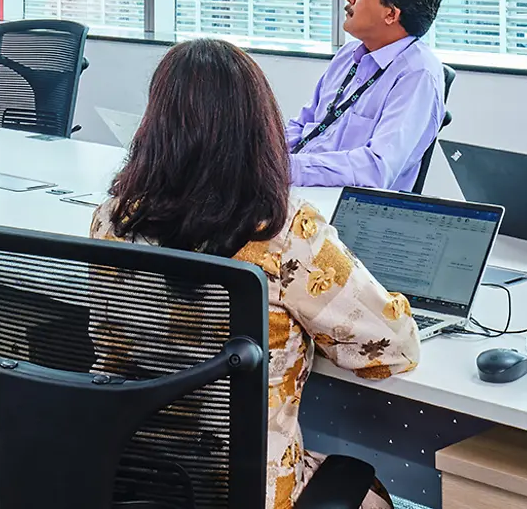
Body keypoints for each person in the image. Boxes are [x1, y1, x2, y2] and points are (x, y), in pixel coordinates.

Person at [92, 39, 419, 509]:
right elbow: (392, 351)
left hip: (129, 474)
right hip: (246, 489)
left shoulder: (112, 219)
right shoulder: (285, 233)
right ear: (259, 126)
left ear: (155, 125)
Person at [285, 0, 447, 191]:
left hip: (340, 207)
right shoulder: (347, 56)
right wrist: (261, 157)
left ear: (391, 13)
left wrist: (287, 169)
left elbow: (376, 168)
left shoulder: (418, 74)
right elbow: (303, 124)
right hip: (298, 188)